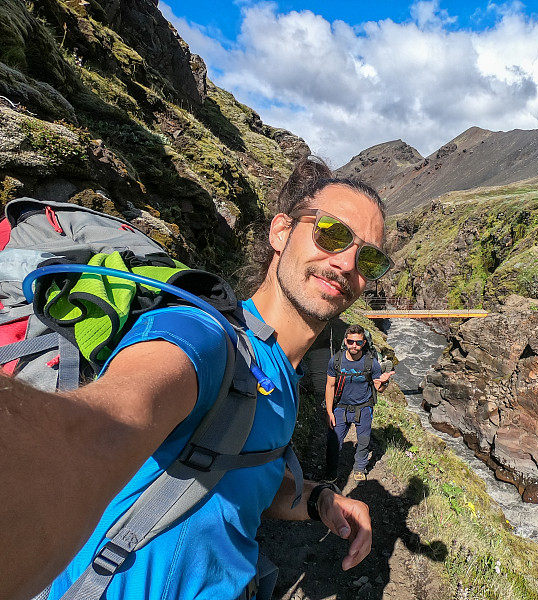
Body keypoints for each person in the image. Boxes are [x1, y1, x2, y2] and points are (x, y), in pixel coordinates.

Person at [0, 157, 395, 600]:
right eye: (332, 234)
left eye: (369, 257)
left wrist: (320, 499)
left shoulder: (283, 378)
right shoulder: (204, 336)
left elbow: (245, 483)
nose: (346, 263)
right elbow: (95, 429)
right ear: (281, 232)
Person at [325, 324, 394, 482]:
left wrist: (384, 382)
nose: (354, 345)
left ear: (364, 343)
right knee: (333, 443)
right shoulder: (336, 361)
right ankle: (330, 473)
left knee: (363, 441)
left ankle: (359, 468)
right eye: (350, 342)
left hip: (363, 408)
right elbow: (330, 386)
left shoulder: (371, 363)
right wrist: (329, 412)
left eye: (358, 342)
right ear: (345, 341)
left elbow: (379, 388)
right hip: (340, 408)